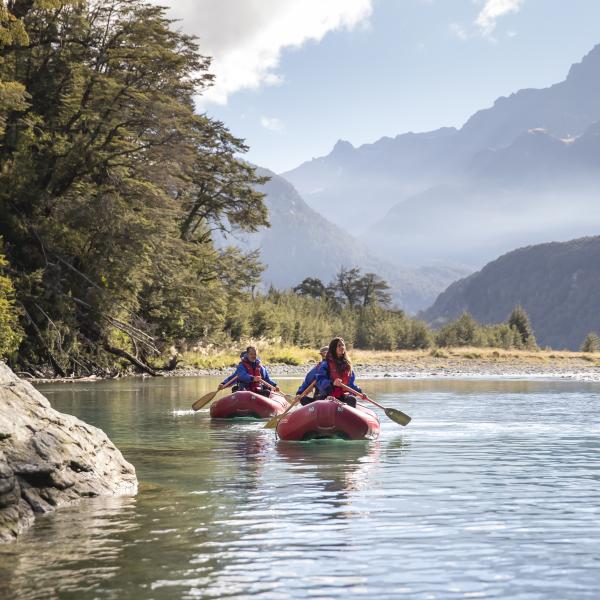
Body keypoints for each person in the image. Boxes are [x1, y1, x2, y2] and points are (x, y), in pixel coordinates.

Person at [316, 337, 364, 408]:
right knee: (321, 398)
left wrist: (360, 392)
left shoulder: (347, 365)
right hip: (328, 394)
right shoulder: (326, 364)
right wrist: (332, 383)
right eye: (339, 345)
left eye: (343, 345)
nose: (342, 347)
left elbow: (350, 384)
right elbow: (320, 381)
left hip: (342, 395)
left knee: (352, 399)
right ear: (333, 348)